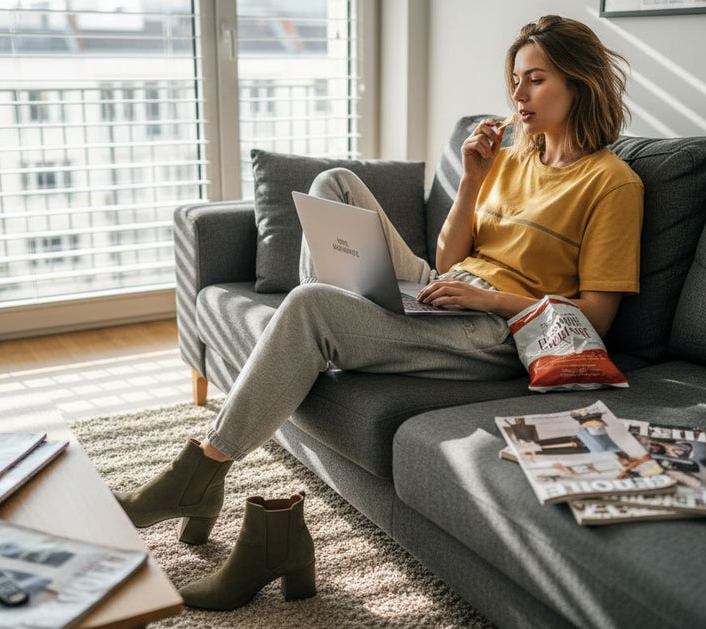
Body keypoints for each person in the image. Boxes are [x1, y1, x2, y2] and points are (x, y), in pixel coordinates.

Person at [115, 14, 642, 611]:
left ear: (579, 82)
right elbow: (449, 257)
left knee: (310, 304)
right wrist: (472, 181)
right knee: (335, 181)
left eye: (536, 80)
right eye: (516, 80)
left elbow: (596, 317)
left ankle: (203, 469)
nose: (517, 96)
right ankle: (349, 326)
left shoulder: (612, 184)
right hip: (448, 290)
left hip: (500, 331)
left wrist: (489, 299)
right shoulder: (515, 157)